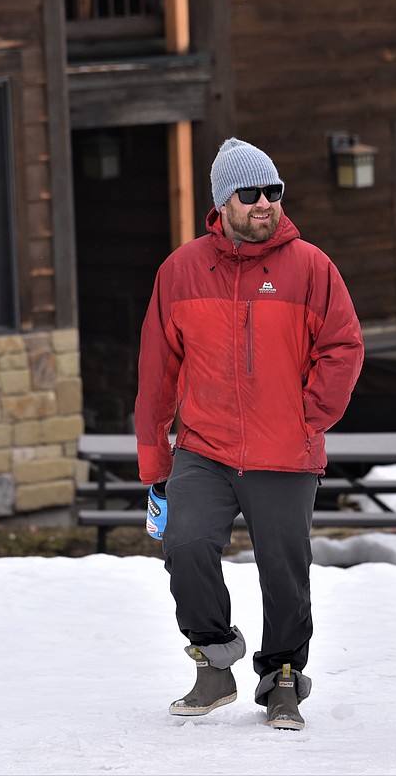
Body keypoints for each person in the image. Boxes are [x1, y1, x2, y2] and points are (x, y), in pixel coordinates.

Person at [134, 137, 364, 731]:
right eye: (252, 193)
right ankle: (213, 661)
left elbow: (343, 346)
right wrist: (155, 460)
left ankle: (283, 675)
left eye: (274, 191)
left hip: (283, 450)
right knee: (184, 547)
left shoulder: (311, 267)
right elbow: (158, 371)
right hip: (205, 449)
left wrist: (309, 416)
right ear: (222, 202)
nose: (266, 203)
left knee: (284, 568)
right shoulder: (180, 271)